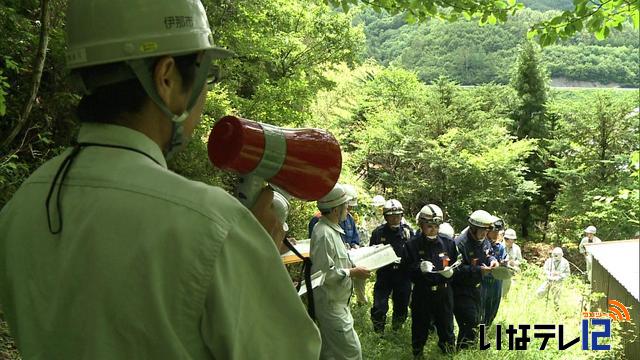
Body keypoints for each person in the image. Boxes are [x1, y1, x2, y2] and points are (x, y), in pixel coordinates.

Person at [0, 1, 322, 358]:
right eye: (206, 77)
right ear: (166, 77)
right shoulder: (214, 226)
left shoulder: (22, 206)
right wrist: (256, 260)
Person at [310, 184, 371, 360]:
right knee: (352, 353)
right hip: (330, 304)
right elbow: (323, 274)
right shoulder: (324, 233)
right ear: (336, 209)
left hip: (337, 301)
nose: (348, 210)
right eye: (345, 206)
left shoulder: (332, 230)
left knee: (329, 354)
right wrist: (352, 272)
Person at [406, 205, 457, 357]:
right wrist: (418, 268)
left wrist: (451, 273)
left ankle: (448, 353)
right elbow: (405, 270)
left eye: (436, 226)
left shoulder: (448, 243)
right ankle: (418, 354)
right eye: (429, 226)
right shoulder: (412, 244)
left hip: (443, 292)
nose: (433, 229)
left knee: (447, 328)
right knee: (419, 327)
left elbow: (455, 264)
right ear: (421, 224)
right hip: (422, 292)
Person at [452, 210, 499, 350]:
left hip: (477, 287)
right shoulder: (460, 243)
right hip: (460, 289)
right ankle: (462, 352)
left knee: (477, 322)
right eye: (482, 230)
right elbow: (456, 269)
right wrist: (478, 270)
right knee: (469, 322)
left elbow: (488, 252)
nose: (485, 234)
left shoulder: (483, 240)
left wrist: (493, 260)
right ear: (473, 228)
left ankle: (468, 350)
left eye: (487, 230)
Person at [369, 199, 414, 333]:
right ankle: (378, 331)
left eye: (398, 215)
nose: (395, 218)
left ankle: (397, 330)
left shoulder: (408, 232)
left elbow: (414, 252)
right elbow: (372, 252)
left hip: (403, 275)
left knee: (401, 305)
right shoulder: (378, 233)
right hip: (385, 274)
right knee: (379, 306)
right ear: (386, 217)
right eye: (391, 216)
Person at [341, 184, 369, 306]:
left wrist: (355, 245)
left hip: (351, 256)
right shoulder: (320, 220)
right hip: (338, 259)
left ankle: (361, 301)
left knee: (361, 272)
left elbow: (354, 237)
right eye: (348, 207)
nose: (350, 210)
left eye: (351, 208)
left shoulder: (349, 218)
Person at [480, 218, 506, 327]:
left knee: (493, 307)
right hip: (483, 281)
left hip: (497, 281)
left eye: (498, 232)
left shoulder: (500, 247)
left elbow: (504, 259)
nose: (496, 235)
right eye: (494, 232)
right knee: (481, 308)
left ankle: (487, 328)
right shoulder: (481, 244)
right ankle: (478, 330)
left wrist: (505, 263)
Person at [502, 228, 523, 297]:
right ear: (505, 239)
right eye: (509, 240)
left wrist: (514, 263)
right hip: (501, 269)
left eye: (513, 240)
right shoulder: (500, 246)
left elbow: (520, 260)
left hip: (512, 270)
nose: (511, 242)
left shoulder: (516, 248)